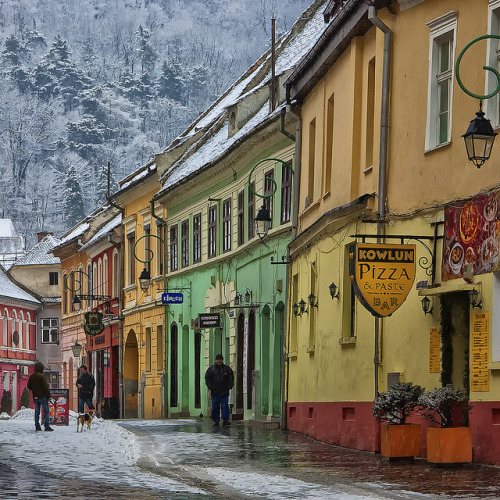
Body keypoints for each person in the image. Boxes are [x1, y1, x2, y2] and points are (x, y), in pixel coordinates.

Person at [205, 354, 234, 426]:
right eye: (218, 359)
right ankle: (216, 420)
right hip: (215, 392)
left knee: (225, 406)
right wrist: (210, 387)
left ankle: (225, 420)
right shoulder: (211, 369)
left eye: (220, 359)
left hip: (224, 391)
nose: (219, 361)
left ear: (222, 360)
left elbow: (231, 378)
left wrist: (229, 386)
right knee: (215, 406)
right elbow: (207, 378)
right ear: (215, 360)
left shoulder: (227, 369)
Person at [27, 361, 53, 432]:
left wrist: (34, 389)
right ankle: (47, 426)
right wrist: (48, 396)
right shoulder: (41, 376)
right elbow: (45, 387)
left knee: (37, 412)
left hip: (35, 397)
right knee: (46, 411)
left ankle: (37, 426)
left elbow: (29, 386)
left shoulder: (32, 376)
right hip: (43, 397)